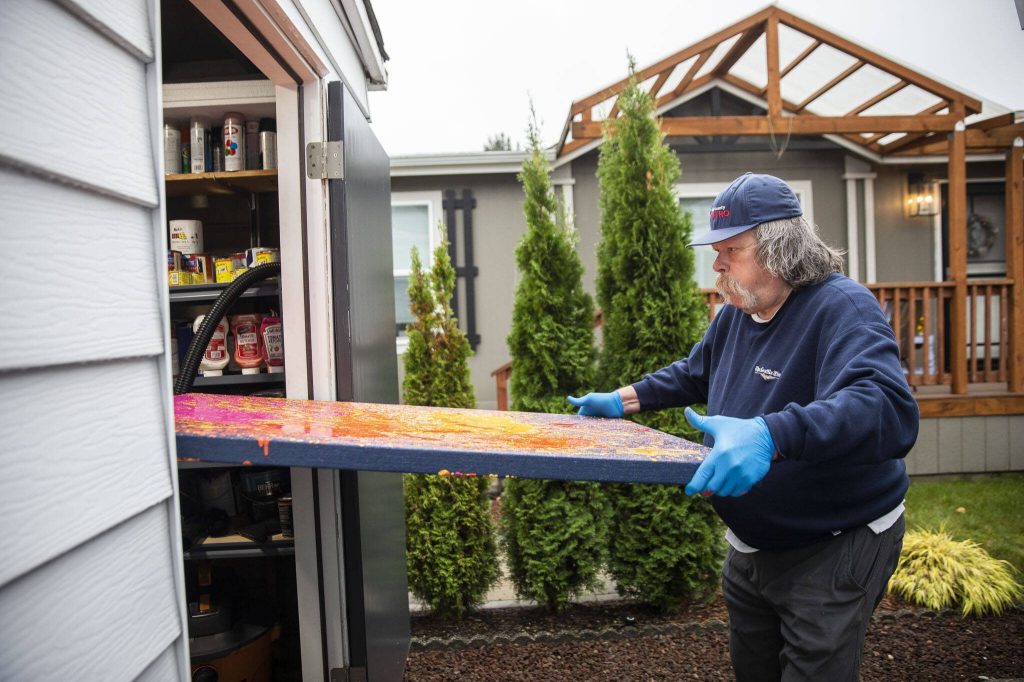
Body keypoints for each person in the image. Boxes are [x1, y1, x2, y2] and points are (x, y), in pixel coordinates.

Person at [568, 172, 919, 681]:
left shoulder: (842, 308)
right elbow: (695, 373)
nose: (717, 264)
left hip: (835, 543)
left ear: (781, 250)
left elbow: (886, 408)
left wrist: (771, 434)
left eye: (731, 249)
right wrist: (622, 401)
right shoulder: (736, 314)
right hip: (752, 547)